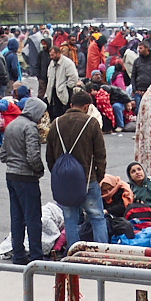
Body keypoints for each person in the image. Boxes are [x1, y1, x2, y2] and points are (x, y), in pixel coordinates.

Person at [46, 90, 108, 248]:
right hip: (88, 179)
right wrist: (99, 176)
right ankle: (103, 253)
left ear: (71, 105)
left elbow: (50, 156)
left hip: (65, 181)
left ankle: (73, 255)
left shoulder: (56, 123)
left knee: (70, 220)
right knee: (97, 218)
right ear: (87, 106)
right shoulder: (91, 123)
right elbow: (100, 154)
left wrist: (59, 173)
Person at [1, 97, 46, 265]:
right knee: (33, 217)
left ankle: (18, 254)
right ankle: (36, 255)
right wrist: (39, 170)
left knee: (17, 217)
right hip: (27, 177)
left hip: (11, 175)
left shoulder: (11, 125)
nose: (42, 118)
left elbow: (3, 155)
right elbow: (33, 156)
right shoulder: (30, 127)